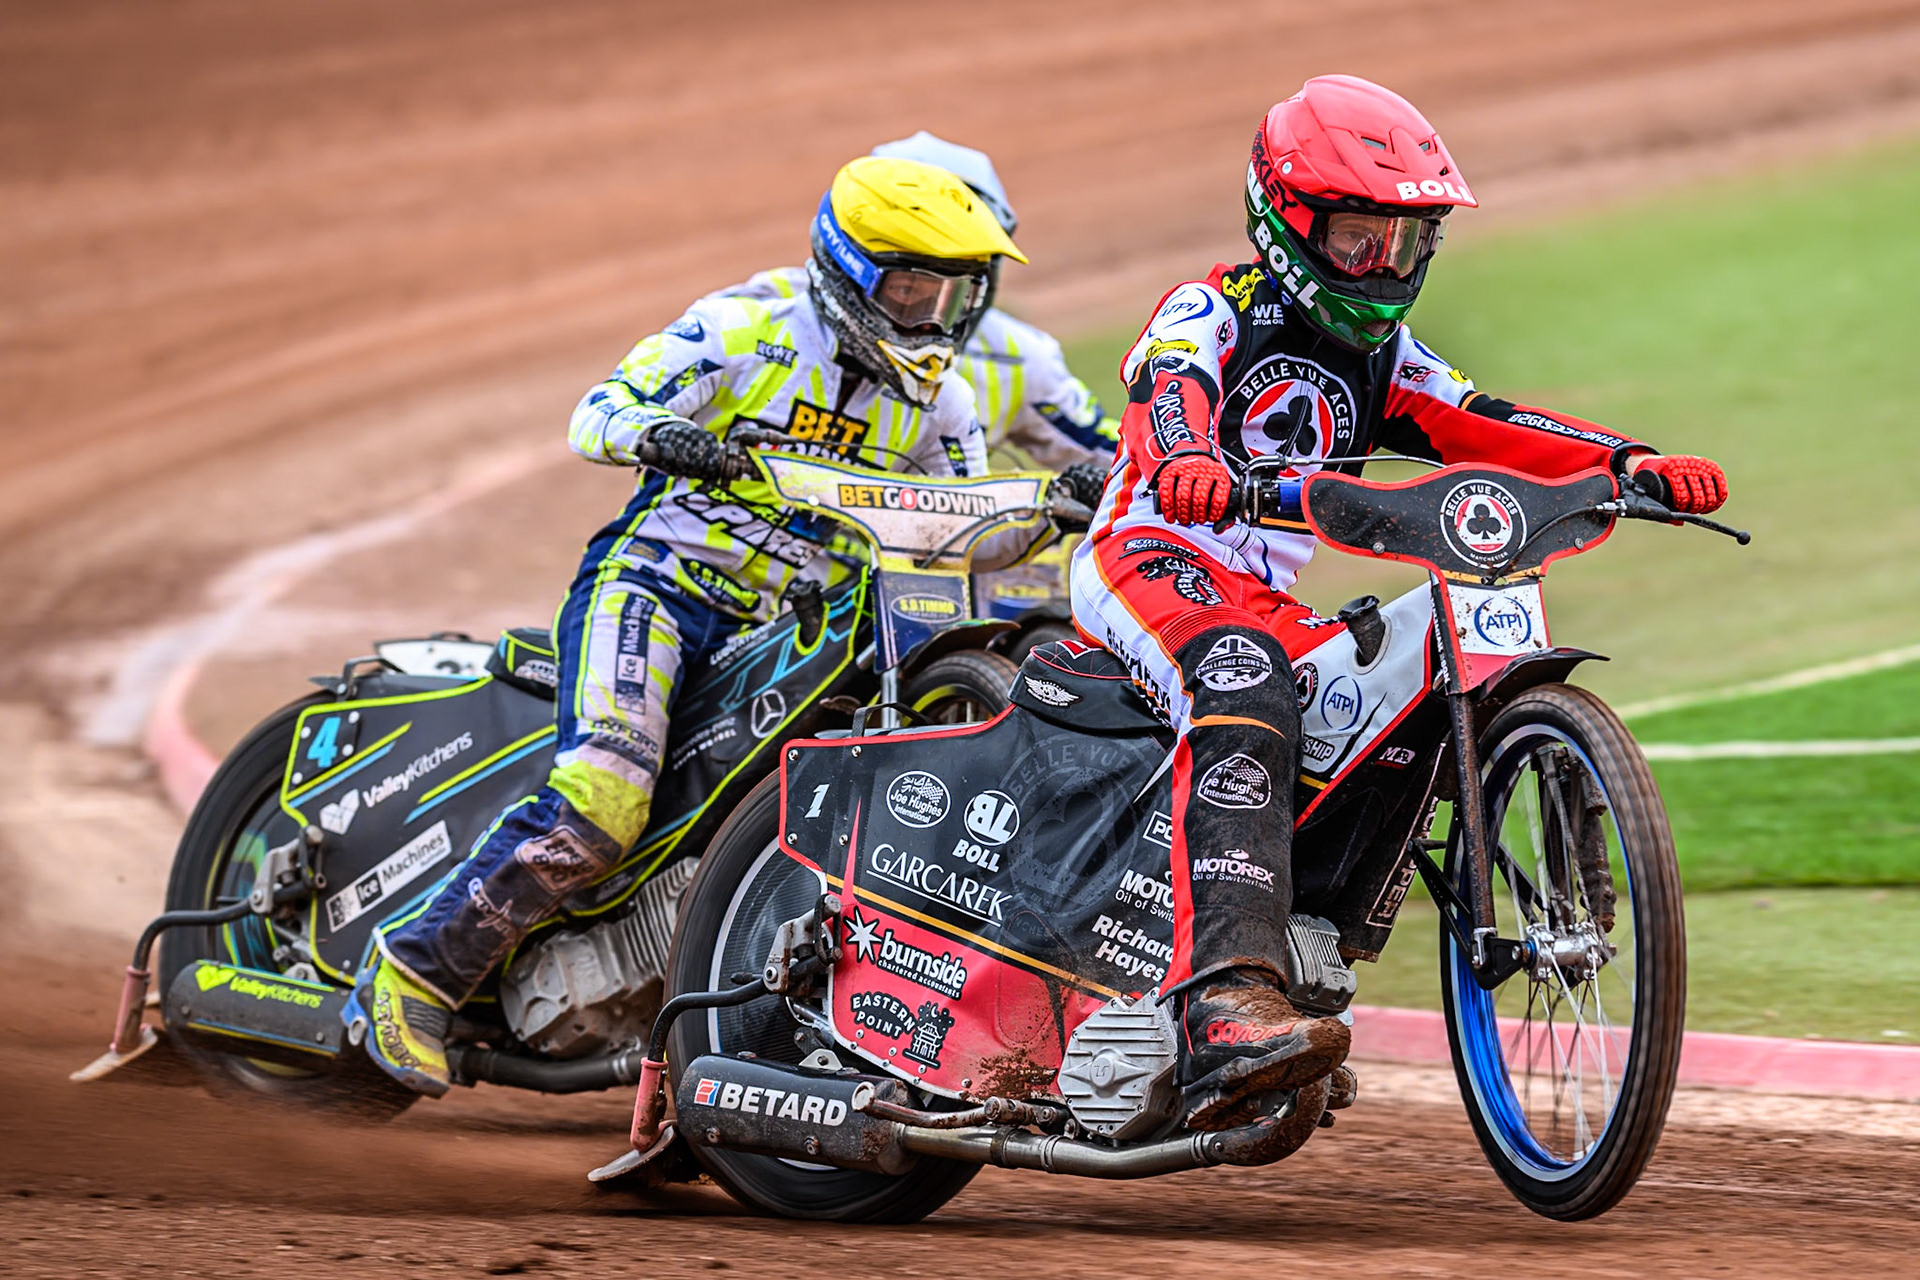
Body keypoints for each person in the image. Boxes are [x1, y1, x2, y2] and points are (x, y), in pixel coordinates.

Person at [1070, 75, 1729, 1119]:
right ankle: (1223, 1000)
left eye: (1406, 241)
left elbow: (1487, 423)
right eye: (1357, 239)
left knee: (1384, 688)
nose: (1384, 265)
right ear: (1286, 222)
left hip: (1259, 593)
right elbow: (1170, 389)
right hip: (1147, 556)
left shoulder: (1389, 358)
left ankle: (1305, 948)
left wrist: (1628, 463)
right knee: (1245, 679)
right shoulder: (1211, 310)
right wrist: (1188, 457)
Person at [347, 156, 1058, 1096]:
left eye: (951, 293)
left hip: (786, 628)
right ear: (851, 270)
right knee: (603, 802)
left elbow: (962, 531)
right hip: (657, 588)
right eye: (911, 287)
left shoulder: (945, 403)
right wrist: (661, 434)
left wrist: (1053, 506)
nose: (932, 314)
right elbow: (596, 413)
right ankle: (412, 975)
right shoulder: (747, 328)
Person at [716, 131, 1117, 477]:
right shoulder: (763, 309)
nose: (932, 302)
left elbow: (1118, 458)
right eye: (911, 281)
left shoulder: (1020, 359)